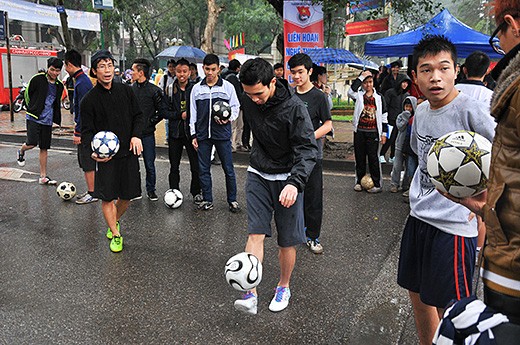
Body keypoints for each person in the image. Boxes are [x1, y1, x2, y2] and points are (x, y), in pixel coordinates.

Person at [396, 35, 496, 345]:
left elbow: (505, 151)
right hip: (420, 217)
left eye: (443, 68)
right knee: (417, 292)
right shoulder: (422, 111)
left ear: (457, 71)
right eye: (426, 70)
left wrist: (485, 197)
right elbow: (420, 154)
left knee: (456, 311)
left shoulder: (472, 109)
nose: (435, 77)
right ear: (415, 77)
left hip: (453, 227)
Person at [443, 1, 520, 327]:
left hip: (512, 269)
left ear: (511, 24)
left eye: (497, 34)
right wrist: (488, 209)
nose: (499, 44)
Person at [233, 57, 317, 315]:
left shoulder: (294, 108)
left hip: (287, 179)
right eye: (249, 95)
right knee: (255, 234)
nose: (254, 99)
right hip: (259, 172)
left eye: (258, 93)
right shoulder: (248, 97)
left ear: (272, 82)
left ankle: (284, 285)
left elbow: (308, 148)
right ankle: (251, 292)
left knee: (286, 241)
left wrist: (295, 182)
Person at [81, 49, 144, 253]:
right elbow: (87, 131)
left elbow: (139, 116)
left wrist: (136, 135)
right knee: (107, 197)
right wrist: (93, 152)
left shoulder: (126, 91)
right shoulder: (88, 100)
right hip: (106, 158)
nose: (107, 70)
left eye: (109, 65)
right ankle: (116, 235)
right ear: (94, 71)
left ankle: (113, 222)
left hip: (127, 153)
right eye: (101, 66)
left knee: (126, 196)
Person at [288, 53, 332, 254]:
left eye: (300, 72)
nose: (296, 76)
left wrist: (309, 136)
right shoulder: (289, 95)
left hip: (313, 155)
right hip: (292, 155)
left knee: (313, 198)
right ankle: (293, 233)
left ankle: (312, 236)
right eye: (293, 72)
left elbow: (328, 124)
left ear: (309, 72)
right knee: (292, 196)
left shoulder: (319, 97)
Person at [190, 54, 240, 212]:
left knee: (228, 169)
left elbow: (236, 107)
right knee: (203, 169)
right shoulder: (197, 89)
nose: (210, 72)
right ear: (203, 69)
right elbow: (193, 113)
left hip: (222, 135)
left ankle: (232, 200)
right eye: (207, 69)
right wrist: (193, 135)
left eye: (213, 69)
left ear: (219, 69)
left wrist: (229, 119)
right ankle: (207, 199)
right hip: (203, 135)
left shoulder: (227, 87)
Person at [16, 57, 64, 186]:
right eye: (52, 69)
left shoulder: (59, 86)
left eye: (57, 71)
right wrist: (31, 107)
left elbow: (56, 102)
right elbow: (27, 93)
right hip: (34, 117)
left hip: (47, 120)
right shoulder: (38, 79)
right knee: (32, 143)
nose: (54, 73)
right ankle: (21, 151)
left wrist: (56, 119)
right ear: (48, 68)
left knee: (44, 147)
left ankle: (43, 176)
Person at [130, 58, 168, 201]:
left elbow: (162, 112)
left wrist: (151, 121)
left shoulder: (154, 91)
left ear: (141, 72)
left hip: (147, 135)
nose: (131, 73)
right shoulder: (130, 89)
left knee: (149, 164)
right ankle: (135, 191)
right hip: (133, 135)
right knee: (133, 166)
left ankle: (151, 190)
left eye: (133, 70)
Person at [166, 58, 202, 203]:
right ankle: (173, 191)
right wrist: (179, 115)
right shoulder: (169, 89)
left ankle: (196, 192)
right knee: (174, 166)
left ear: (190, 72)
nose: (182, 74)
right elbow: (164, 111)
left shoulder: (195, 88)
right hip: (175, 133)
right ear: (175, 71)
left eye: (185, 71)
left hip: (191, 133)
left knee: (195, 166)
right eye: (179, 71)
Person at [64, 49, 97, 205]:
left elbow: (84, 109)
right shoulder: (81, 80)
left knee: (87, 161)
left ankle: (93, 192)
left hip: (86, 131)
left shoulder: (82, 82)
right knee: (85, 162)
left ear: (69, 64)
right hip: (85, 128)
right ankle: (92, 190)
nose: (65, 69)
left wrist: (78, 132)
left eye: (65, 65)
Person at [348, 70, 388, 193]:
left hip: (373, 132)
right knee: (360, 158)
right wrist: (361, 77)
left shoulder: (379, 98)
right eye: (365, 83)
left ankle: (377, 183)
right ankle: (359, 181)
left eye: (370, 82)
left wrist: (384, 133)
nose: (368, 85)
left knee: (373, 158)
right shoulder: (359, 96)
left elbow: (384, 115)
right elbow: (350, 92)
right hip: (359, 131)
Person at [380, 73, 411, 163]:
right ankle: (382, 154)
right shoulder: (390, 92)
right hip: (390, 119)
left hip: (400, 121)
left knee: (396, 140)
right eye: (403, 82)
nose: (405, 85)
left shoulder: (406, 95)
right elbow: (385, 106)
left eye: (407, 83)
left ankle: (392, 156)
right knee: (389, 138)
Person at [390, 96, 417, 193]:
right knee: (397, 165)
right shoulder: (400, 116)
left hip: (410, 147)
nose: (408, 109)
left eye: (410, 107)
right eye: (406, 106)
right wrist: (406, 116)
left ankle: (405, 185)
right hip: (399, 145)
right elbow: (400, 127)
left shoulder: (416, 117)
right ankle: (394, 184)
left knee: (409, 167)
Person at [221, 59, 245, 152]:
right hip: (235, 106)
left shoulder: (226, 76)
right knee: (236, 126)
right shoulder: (233, 78)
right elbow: (238, 93)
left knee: (238, 125)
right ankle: (234, 144)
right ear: (237, 68)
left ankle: (236, 144)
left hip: (231, 105)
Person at [158, 59, 177, 144]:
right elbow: (160, 88)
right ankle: (167, 137)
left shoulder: (178, 77)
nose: (171, 68)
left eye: (173, 66)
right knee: (167, 120)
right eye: (170, 67)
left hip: (176, 100)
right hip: (167, 100)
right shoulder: (165, 77)